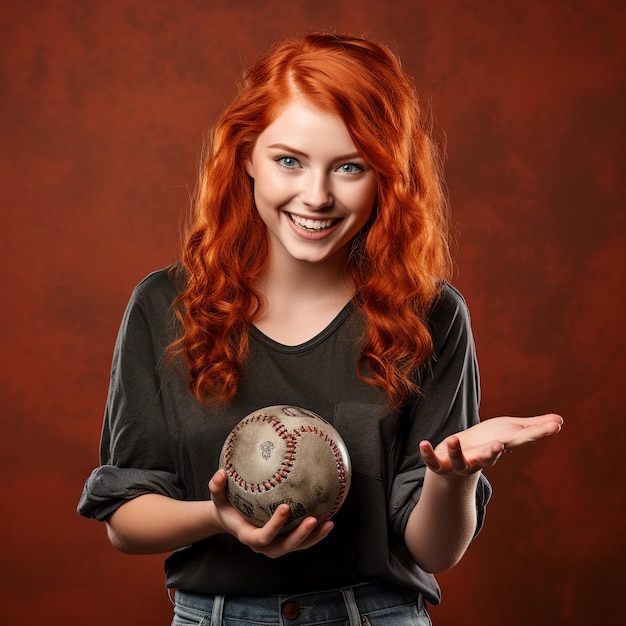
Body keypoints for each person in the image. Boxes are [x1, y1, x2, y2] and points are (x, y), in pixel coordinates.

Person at [78, 32, 563, 625]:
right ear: (247, 155)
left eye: (350, 167)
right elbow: (125, 521)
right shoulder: (167, 306)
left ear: (389, 176)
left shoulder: (431, 315)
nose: (317, 195)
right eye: (289, 160)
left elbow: (433, 551)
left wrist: (455, 479)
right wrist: (219, 517)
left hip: (376, 613)